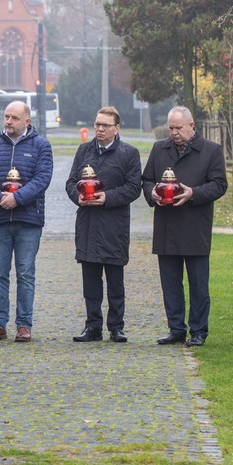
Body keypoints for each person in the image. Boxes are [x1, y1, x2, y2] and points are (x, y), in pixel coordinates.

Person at [141, 106, 227, 347]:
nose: (174, 132)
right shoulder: (160, 149)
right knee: (170, 282)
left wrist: (194, 193)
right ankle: (176, 328)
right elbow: (146, 179)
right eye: (170, 128)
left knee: (198, 283)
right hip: (166, 225)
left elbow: (220, 184)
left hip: (195, 225)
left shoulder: (211, 151)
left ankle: (198, 330)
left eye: (178, 128)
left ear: (192, 126)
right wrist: (153, 194)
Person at [0, 101, 53, 342]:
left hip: (28, 220)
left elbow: (42, 179)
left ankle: (24, 325)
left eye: (14, 118)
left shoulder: (41, 145)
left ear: (27, 121)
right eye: (6, 117)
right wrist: (0, 198)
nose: (8, 121)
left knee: (25, 274)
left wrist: (17, 199)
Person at [65, 107, 141, 343]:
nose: (99, 129)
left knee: (115, 281)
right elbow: (71, 182)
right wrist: (75, 196)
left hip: (114, 225)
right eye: (97, 124)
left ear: (116, 128)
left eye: (105, 125)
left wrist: (107, 197)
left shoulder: (129, 153)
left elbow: (133, 188)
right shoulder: (84, 151)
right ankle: (93, 326)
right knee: (90, 281)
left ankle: (116, 326)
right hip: (87, 223)